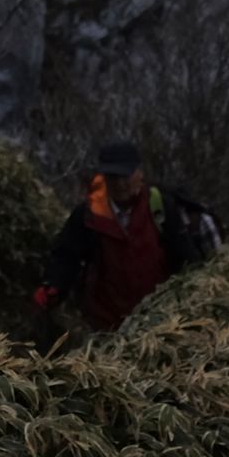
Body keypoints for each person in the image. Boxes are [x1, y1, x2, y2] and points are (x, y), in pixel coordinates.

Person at [31, 140, 197, 333]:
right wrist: (54, 287)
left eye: (125, 176)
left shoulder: (161, 208)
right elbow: (66, 256)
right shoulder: (88, 215)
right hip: (105, 324)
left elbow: (186, 259)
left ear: (139, 173)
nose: (119, 184)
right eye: (112, 177)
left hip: (159, 321)